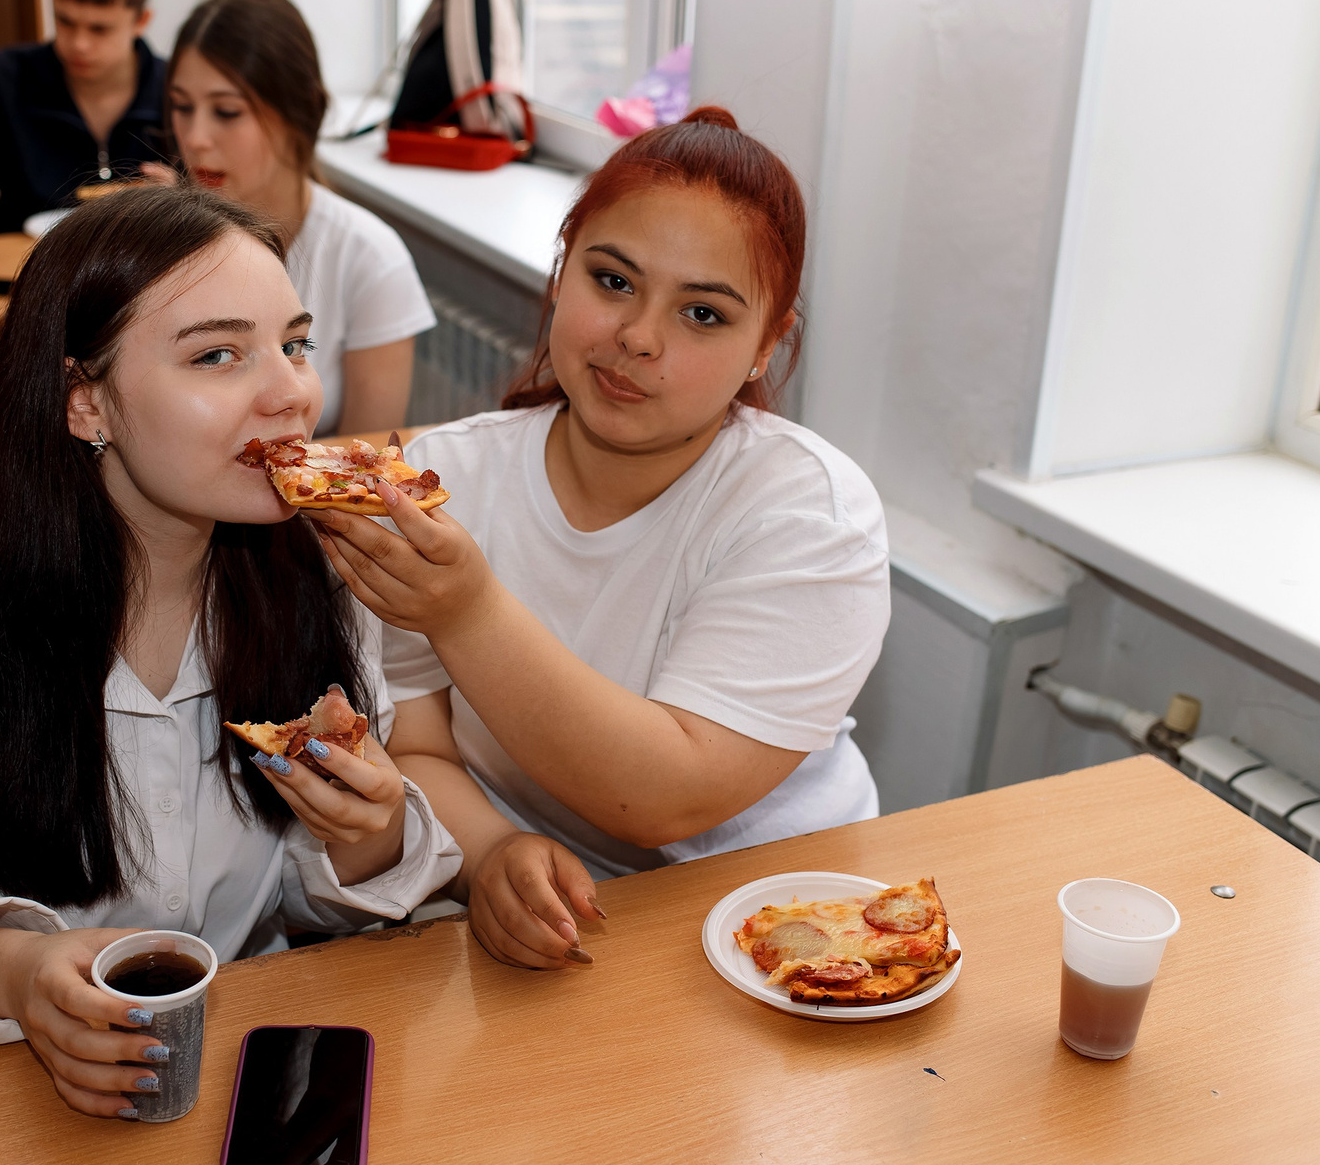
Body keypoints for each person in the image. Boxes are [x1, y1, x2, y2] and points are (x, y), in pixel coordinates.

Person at [0, 184, 462, 1119]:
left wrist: (366, 833)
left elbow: (303, 914)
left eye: (294, 345)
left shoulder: (323, 572)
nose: (292, 393)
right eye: (218, 355)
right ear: (85, 402)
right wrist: (18, 972)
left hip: (233, 1073)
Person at [308, 108, 891, 969]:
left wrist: (465, 611)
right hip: (558, 913)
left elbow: (667, 796)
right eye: (613, 281)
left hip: (785, 922)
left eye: (703, 314)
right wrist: (490, 852)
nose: (638, 338)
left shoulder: (809, 515)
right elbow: (418, 746)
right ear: (561, 271)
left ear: (767, 345)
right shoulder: (442, 480)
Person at [168, 0, 431, 437]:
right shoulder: (161, 244)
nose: (195, 137)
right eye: (181, 107)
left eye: (226, 112)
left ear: (299, 111)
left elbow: (369, 460)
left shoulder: (370, 259)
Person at [0, 0, 172, 235]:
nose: (79, 44)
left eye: (99, 29)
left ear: (141, 21)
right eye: (65, 21)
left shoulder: (178, 94)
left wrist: (183, 202)